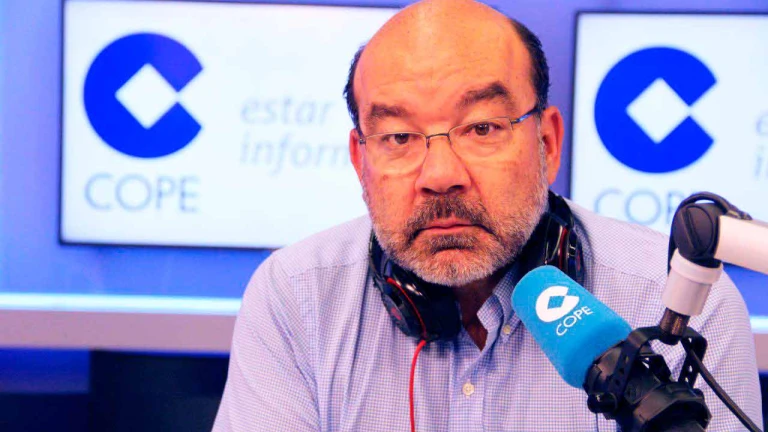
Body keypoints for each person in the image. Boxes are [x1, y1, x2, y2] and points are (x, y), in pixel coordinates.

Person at [213, 0, 762, 430]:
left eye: (481, 128)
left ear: (547, 143)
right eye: (399, 136)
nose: (440, 174)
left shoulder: (681, 303)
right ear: (361, 161)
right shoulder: (296, 298)